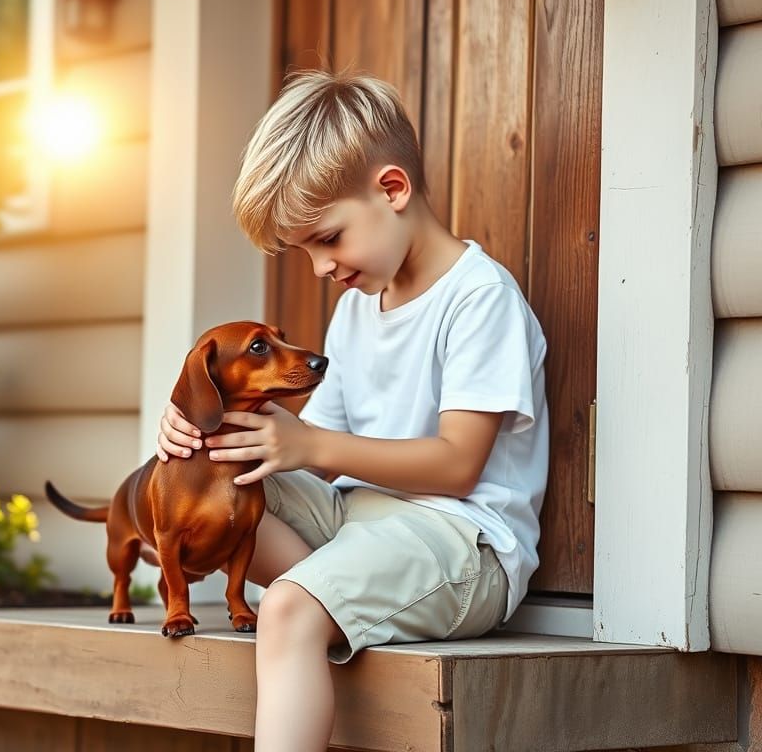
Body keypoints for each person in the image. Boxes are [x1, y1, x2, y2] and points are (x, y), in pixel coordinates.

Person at [156, 68, 548, 752]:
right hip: (360, 521)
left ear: (391, 190)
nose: (319, 267)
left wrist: (308, 447)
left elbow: (458, 466)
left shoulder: (478, 298)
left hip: (462, 545)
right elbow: (310, 450)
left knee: (287, 609)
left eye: (328, 239)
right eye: (304, 250)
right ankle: (313, 583)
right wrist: (198, 430)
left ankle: (310, 604)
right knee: (219, 473)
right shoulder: (355, 310)